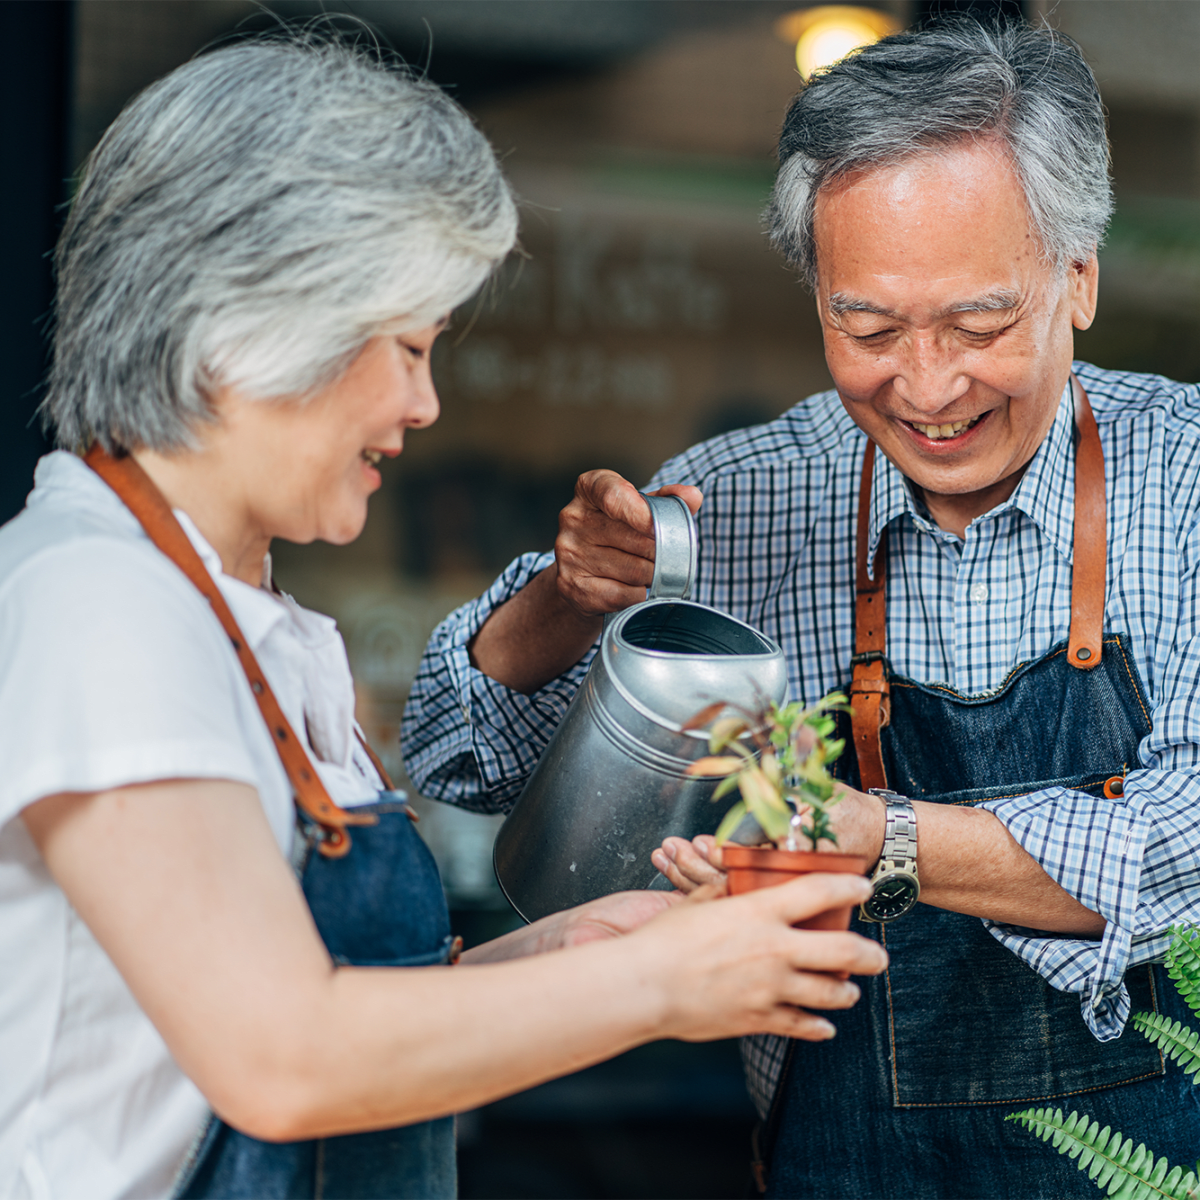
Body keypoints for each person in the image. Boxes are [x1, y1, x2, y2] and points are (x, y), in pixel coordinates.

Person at [0, 35, 891, 1200]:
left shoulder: (229, 614)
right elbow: (283, 1057)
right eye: (409, 347)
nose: (424, 405)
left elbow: (338, 999)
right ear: (253, 321)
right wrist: (664, 983)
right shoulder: (98, 605)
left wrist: (575, 949)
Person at [402, 17, 1200, 1198]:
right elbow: (460, 763)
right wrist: (568, 606)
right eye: (866, 328)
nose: (927, 387)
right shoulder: (740, 497)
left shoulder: (1184, 479)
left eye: (979, 325)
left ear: (1076, 278)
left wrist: (881, 840)